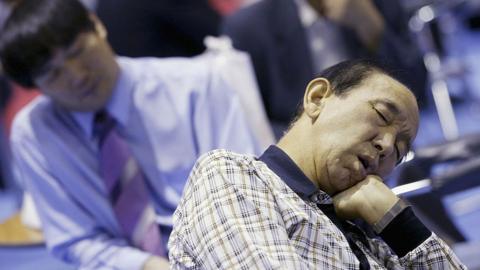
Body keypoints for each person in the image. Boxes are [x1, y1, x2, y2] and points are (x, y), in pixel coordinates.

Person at [0, 0, 262, 269]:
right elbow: (76, 240)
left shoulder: (195, 87)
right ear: (36, 87)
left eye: (78, 51)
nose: (77, 76)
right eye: (53, 74)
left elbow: (245, 194)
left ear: (98, 27)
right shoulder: (35, 133)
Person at [168, 60, 466, 269]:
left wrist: (400, 225)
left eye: (400, 149)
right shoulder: (232, 175)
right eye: (382, 115)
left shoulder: (368, 228)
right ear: (317, 97)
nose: (387, 146)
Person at [222, 0, 427, 136]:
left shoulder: (377, 5)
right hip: (304, 172)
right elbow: (254, 125)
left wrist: (372, 29)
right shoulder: (249, 27)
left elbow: (417, 95)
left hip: (382, 148)